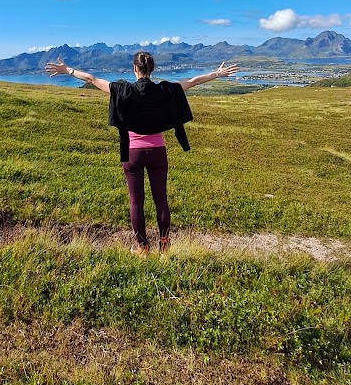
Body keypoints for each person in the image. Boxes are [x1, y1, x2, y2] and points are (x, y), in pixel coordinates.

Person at [45, 50, 240, 256]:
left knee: (136, 201)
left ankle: (142, 247)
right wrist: (217, 74)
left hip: (133, 154)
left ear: (134, 69)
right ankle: (164, 245)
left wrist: (68, 70)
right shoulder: (165, 90)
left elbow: (92, 79)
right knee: (161, 200)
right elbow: (191, 82)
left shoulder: (123, 90)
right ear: (152, 69)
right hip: (157, 152)